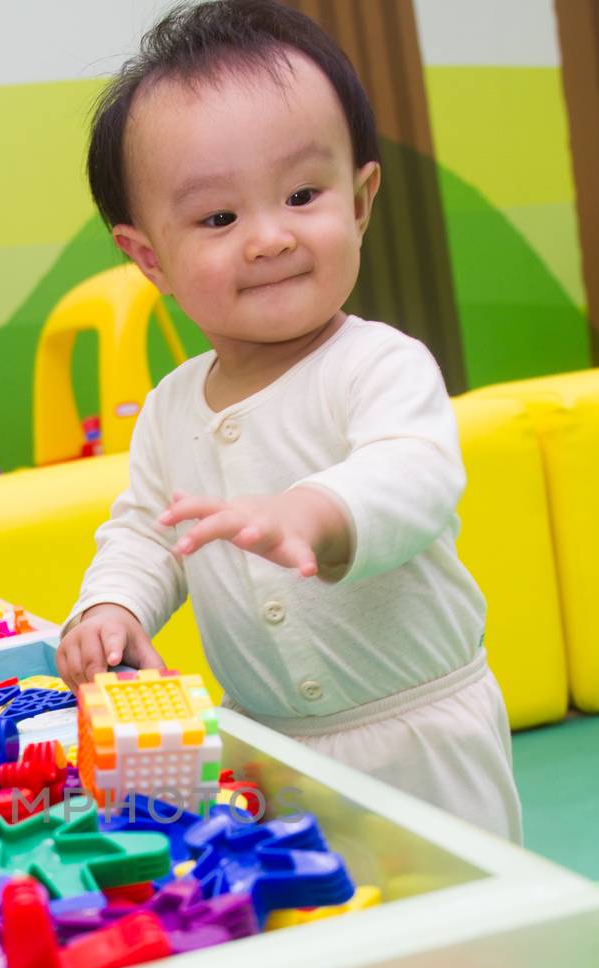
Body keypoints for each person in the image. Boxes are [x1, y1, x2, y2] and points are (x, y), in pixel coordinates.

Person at [57, 0, 522, 841]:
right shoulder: (170, 408)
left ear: (359, 199)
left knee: (458, 938)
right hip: (270, 750)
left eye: (302, 194)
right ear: (150, 257)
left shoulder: (377, 364)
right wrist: (110, 608)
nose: (268, 238)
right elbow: (147, 532)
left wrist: (305, 511)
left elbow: (411, 476)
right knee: (318, 925)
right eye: (218, 218)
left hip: (420, 732)